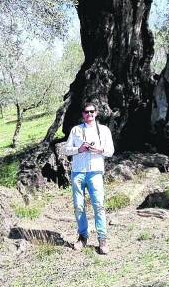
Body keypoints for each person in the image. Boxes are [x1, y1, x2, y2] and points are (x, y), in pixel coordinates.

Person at [60, 102, 114, 255]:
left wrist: (99, 150)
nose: (89, 115)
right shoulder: (76, 130)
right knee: (79, 206)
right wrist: (79, 149)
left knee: (99, 205)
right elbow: (65, 150)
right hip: (78, 172)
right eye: (86, 112)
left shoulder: (103, 130)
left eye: (92, 112)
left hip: (95, 171)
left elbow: (110, 151)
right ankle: (82, 236)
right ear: (82, 114)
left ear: (96, 113)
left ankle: (102, 239)